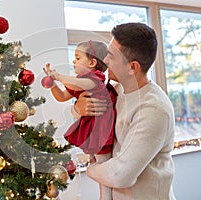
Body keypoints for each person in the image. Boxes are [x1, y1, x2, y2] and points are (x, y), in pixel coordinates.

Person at [73, 23, 176, 200]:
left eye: (112, 56)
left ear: (132, 67)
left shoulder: (154, 109)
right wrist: (78, 108)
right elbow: (87, 114)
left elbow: (121, 175)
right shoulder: (116, 90)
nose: (104, 60)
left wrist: (89, 168)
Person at [43, 40, 118, 200]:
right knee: (99, 165)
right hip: (92, 130)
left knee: (104, 171)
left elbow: (78, 84)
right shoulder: (80, 81)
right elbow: (62, 97)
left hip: (101, 131)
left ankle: (106, 197)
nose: (73, 61)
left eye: (77, 57)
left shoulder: (95, 79)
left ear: (92, 62)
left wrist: (59, 76)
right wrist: (53, 85)